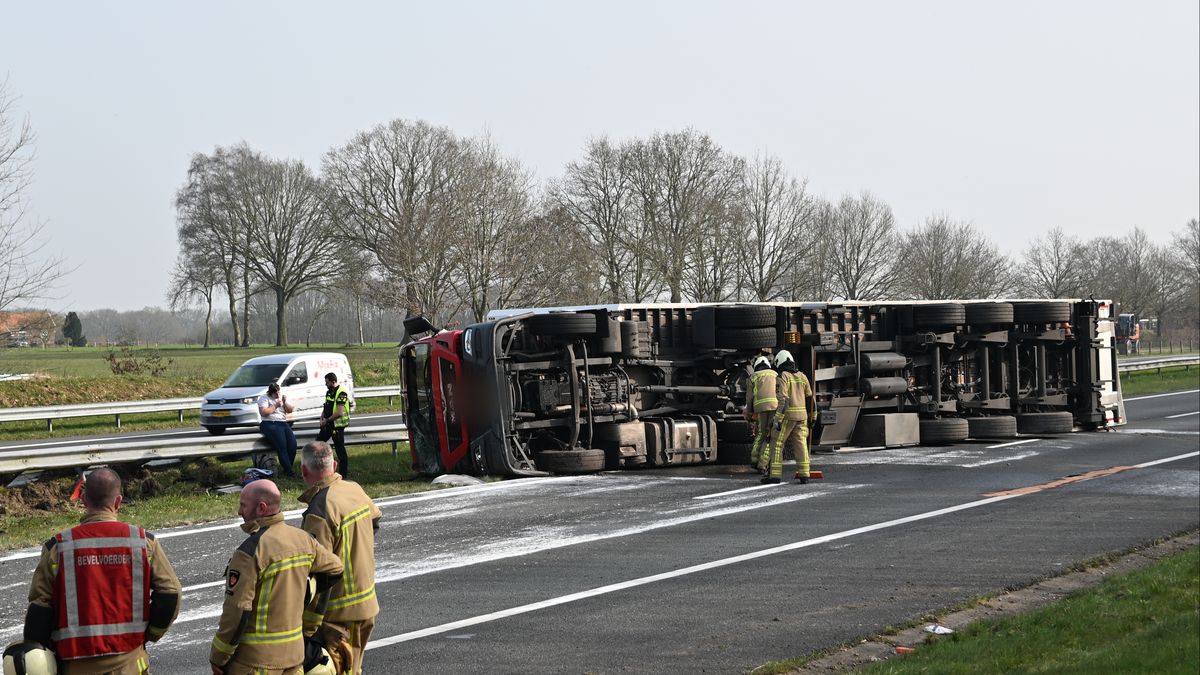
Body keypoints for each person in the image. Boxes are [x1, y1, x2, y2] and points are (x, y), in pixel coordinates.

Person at [22, 468, 181, 674]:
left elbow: (39, 610)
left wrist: (38, 657)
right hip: (130, 664)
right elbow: (170, 593)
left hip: (75, 666)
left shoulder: (59, 547)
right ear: (118, 502)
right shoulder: (143, 543)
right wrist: (151, 634)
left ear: (84, 500)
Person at [210, 480, 343, 675]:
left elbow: (237, 610)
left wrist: (219, 656)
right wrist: (308, 594)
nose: (240, 512)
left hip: (255, 662)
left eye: (243, 505)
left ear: (261, 508)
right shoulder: (304, 539)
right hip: (295, 658)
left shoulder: (250, 551)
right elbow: (335, 569)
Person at [299, 441, 382, 674]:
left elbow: (320, 571)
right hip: (367, 605)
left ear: (304, 471)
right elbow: (376, 519)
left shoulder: (320, 509)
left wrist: (308, 626)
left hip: (338, 616)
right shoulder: (354, 490)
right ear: (334, 465)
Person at [764, 350, 816, 485]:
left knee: (777, 443)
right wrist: (813, 416)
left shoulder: (782, 377)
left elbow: (783, 399)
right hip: (802, 417)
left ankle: (774, 475)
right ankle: (804, 474)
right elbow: (811, 399)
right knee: (801, 444)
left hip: (787, 416)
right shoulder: (802, 376)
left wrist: (777, 419)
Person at [745, 355, 779, 474]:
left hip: (760, 409)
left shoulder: (753, 377)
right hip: (775, 408)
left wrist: (749, 413)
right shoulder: (775, 374)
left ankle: (754, 460)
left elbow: (749, 399)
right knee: (770, 435)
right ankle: (763, 464)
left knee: (760, 434)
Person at [316, 373, 352, 478]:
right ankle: (317, 471)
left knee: (340, 451)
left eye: (327, 382)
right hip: (327, 424)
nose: (325, 384)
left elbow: (339, 413)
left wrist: (326, 421)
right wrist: (321, 417)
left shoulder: (341, 393)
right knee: (316, 446)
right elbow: (326, 406)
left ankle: (343, 475)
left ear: (333, 381)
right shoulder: (329, 392)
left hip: (337, 426)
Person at [258, 383, 297, 477]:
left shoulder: (282, 397)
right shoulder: (264, 398)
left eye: (278, 392)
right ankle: (289, 471)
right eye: (276, 394)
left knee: (292, 445)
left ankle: (288, 467)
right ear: (271, 393)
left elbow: (290, 410)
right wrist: (276, 405)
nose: (278, 395)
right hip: (270, 423)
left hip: (283, 423)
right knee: (282, 445)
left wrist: (284, 402)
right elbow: (264, 413)